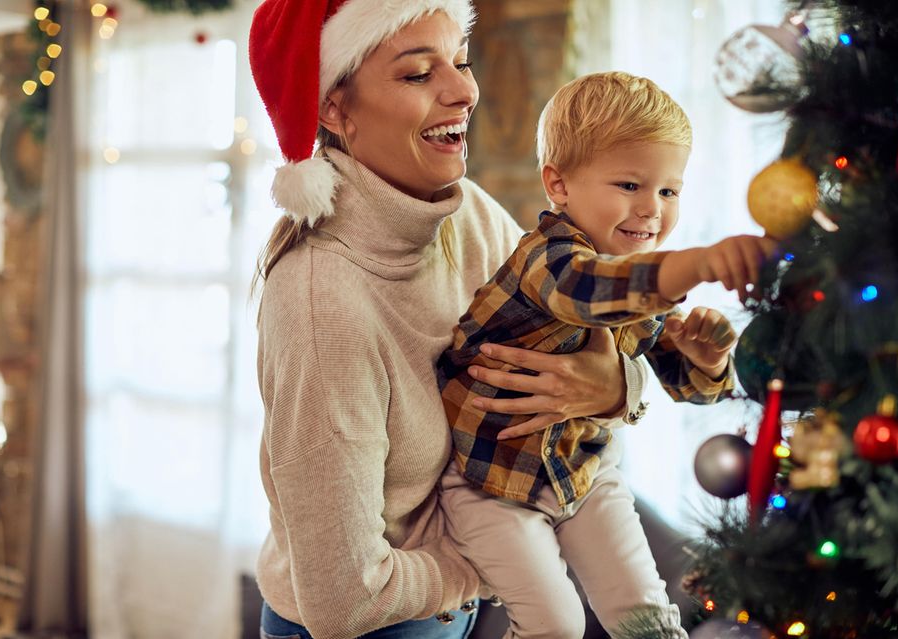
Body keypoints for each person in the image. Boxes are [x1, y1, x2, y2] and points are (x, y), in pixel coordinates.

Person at [248, 4, 652, 638]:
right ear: (334, 109)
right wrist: (513, 566)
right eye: (417, 74)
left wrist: (617, 389)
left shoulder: (468, 216)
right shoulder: (322, 306)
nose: (465, 91)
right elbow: (345, 602)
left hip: (450, 613)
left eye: (460, 62)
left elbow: (573, 365)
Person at [436, 72, 778, 639]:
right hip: (490, 485)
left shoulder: (641, 284)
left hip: (585, 474)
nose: (651, 209)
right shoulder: (547, 259)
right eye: (629, 184)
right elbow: (586, 292)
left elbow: (690, 389)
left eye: (669, 191)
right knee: (555, 625)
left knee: (648, 618)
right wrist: (695, 264)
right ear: (559, 184)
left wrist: (708, 359)